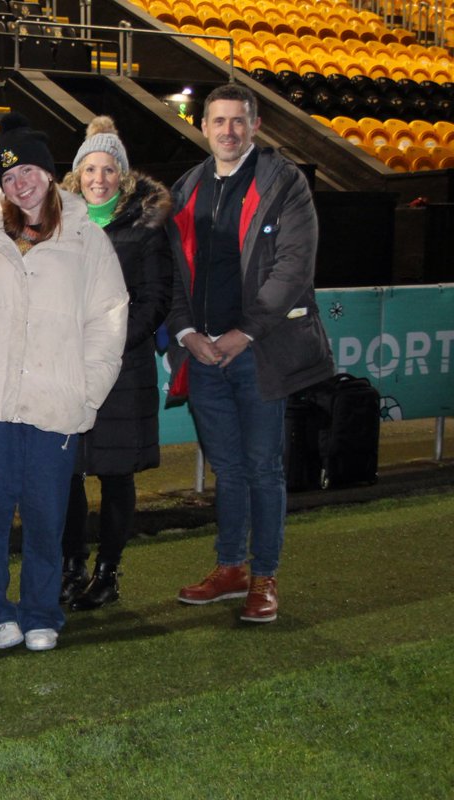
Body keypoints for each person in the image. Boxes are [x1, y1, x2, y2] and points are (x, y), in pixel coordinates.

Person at [0, 113, 128, 652]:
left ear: (50, 174)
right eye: (8, 176)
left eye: (28, 170)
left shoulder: (87, 238)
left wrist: (88, 393)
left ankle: (39, 611)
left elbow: (108, 319)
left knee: (46, 514)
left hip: (56, 403)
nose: (20, 183)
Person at [166, 83, 333, 623]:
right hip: (205, 354)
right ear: (204, 126)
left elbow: (292, 269)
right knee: (229, 470)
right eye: (219, 121)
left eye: (238, 121)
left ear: (255, 125)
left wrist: (243, 334)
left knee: (263, 469)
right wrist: (187, 333)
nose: (229, 131)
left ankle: (265, 577)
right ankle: (230, 568)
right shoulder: (187, 186)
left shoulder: (285, 184)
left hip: (257, 353)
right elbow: (171, 274)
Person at [58, 116, 173, 611]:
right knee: (67, 471)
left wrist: (108, 343)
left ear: (122, 176)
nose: (99, 178)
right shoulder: (59, 220)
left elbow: (154, 300)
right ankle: (71, 566)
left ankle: (107, 573)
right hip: (67, 368)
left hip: (123, 369)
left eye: (109, 169)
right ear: (77, 175)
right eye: (91, 169)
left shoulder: (145, 228)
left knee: (116, 474)